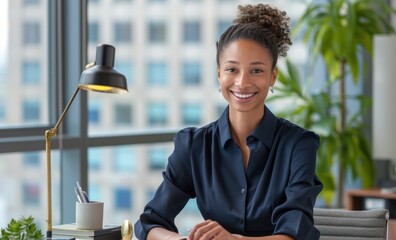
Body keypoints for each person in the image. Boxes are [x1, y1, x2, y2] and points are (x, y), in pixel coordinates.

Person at [135, 3, 323, 240]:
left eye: (256, 71)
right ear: (219, 74)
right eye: (232, 69)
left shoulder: (298, 144)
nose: (242, 82)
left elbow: (295, 232)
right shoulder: (194, 145)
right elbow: (150, 223)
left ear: (273, 76)